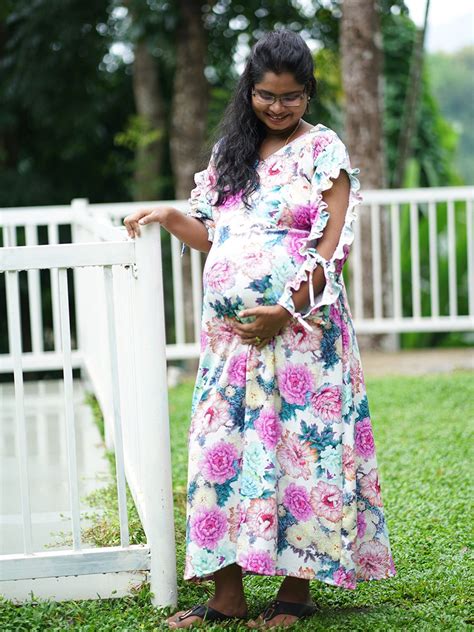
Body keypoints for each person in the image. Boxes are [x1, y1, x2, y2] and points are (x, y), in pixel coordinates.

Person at [124, 29, 396, 630]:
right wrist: (171, 214)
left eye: (292, 96)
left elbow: (335, 241)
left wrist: (287, 308)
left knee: (302, 451)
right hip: (230, 341)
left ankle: (295, 593)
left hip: (303, 335)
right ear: (250, 88)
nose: (278, 106)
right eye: (267, 95)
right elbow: (212, 233)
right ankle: (227, 595)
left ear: (308, 94)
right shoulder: (231, 154)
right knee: (219, 450)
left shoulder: (324, 151)